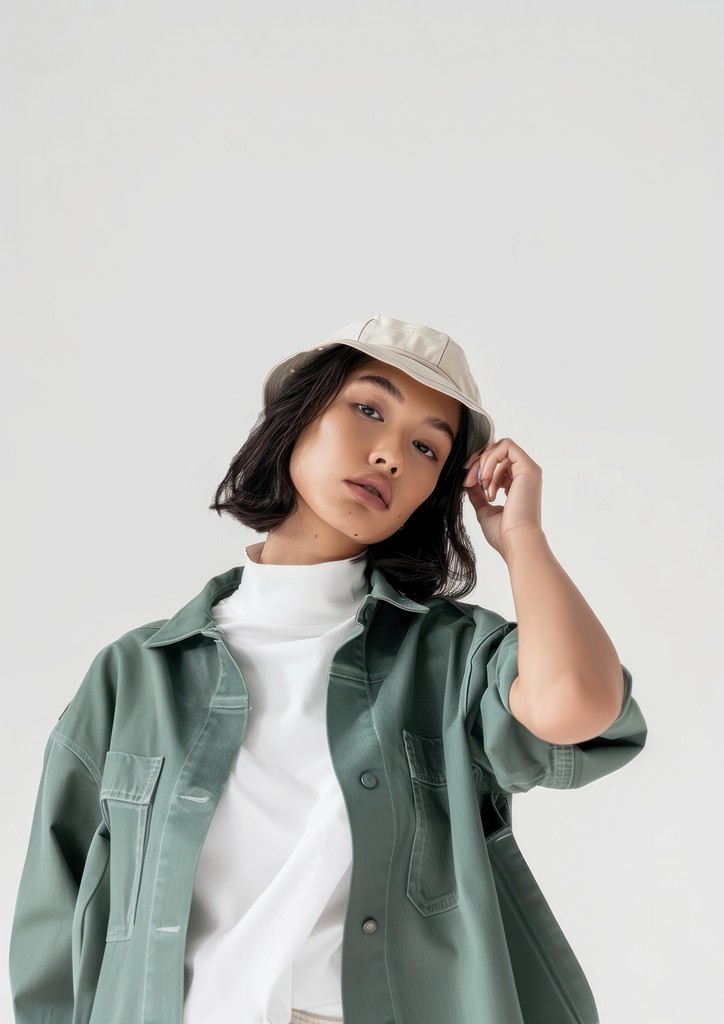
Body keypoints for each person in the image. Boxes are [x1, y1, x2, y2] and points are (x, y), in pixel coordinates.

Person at [9, 314, 647, 1024]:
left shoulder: (452, 660)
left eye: (427, 448)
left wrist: (521, 536)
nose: (390, 456)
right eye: (368, 409)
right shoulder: (136, 674)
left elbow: (576, 705)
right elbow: (53, 925)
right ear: (300, 414)